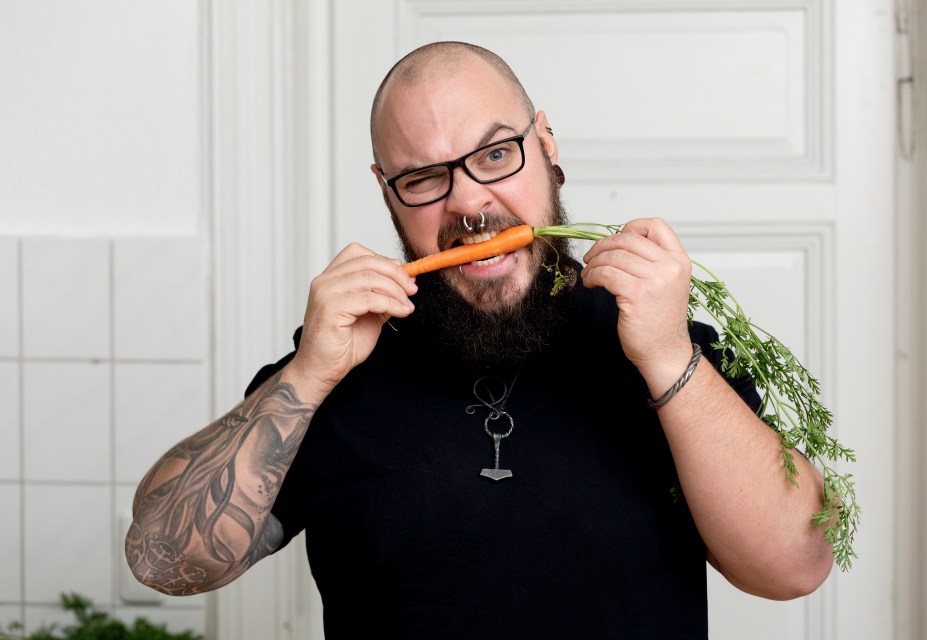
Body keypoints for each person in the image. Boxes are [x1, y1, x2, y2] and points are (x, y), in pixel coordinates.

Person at [125, 41, 833, 638]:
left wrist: (670, 359)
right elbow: (161, 558)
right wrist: (307, 375)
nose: (467, 201)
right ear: (386, 190)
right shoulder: (336, 369)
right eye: (425, 178)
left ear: (546, 146)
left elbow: (794, 566)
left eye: (495, 154)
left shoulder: (659, 346)